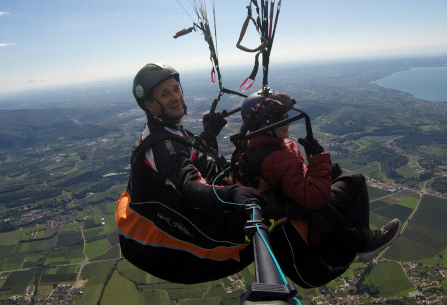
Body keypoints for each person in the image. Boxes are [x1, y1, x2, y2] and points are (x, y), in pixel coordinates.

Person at [115, 63, 266, 284]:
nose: (175, 96)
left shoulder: (166, 131)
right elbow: (190, 185)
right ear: (150, 105)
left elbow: (191, 160)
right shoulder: (163, 146)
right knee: (271, 217)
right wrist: (233, 195)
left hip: (165, 220)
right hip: (171, 247)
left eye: (176, 89)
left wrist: (209, 135)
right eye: (165, 94)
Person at [235, 89, 401, 288]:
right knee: (355, 180)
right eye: (280, 118)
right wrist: (317, 157)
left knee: (335, 171)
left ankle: (357, 238)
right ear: (263, 124)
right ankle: (363, 242)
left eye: (286, 116)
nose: (287, 121)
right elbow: (315, 198)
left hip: (294, 207)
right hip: (307, 216)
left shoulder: (253, 146)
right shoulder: (276, 158)